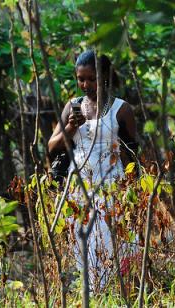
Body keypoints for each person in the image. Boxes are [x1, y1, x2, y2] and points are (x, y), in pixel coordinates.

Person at [48, 50, 137, 290]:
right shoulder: (73, 107)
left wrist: (135, 188)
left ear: (105, 76)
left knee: (111, 235)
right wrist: (69, 126)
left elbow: (133, 153)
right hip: (79, 183)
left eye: (91, 79)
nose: (85, 84)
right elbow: (52, 145)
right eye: (80, 79)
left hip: (111, 181)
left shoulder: (121, 109)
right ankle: (91, 291)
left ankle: (116, 290)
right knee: (82, 235)